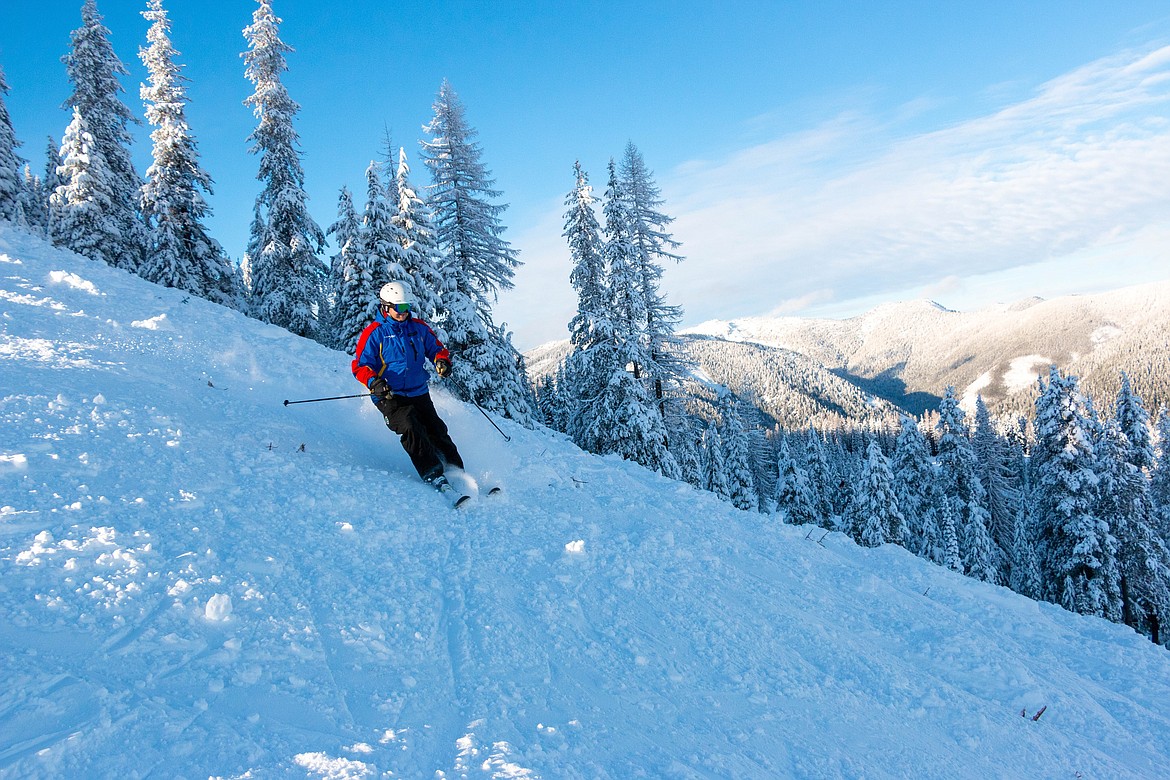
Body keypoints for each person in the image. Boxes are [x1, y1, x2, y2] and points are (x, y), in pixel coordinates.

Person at [352, 281, 464, 490]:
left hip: (417, 390)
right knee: (411, 427)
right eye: (399, 308)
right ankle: (433, 473)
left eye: (407, 307)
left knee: (436, 429)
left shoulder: (418, 328)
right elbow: (360, 365)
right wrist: (374, 382)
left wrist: (442, 361)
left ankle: (456, 471)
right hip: (389, 395)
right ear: (386, 306)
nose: (404, 312)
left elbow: (437, 348)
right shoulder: (375, 333)